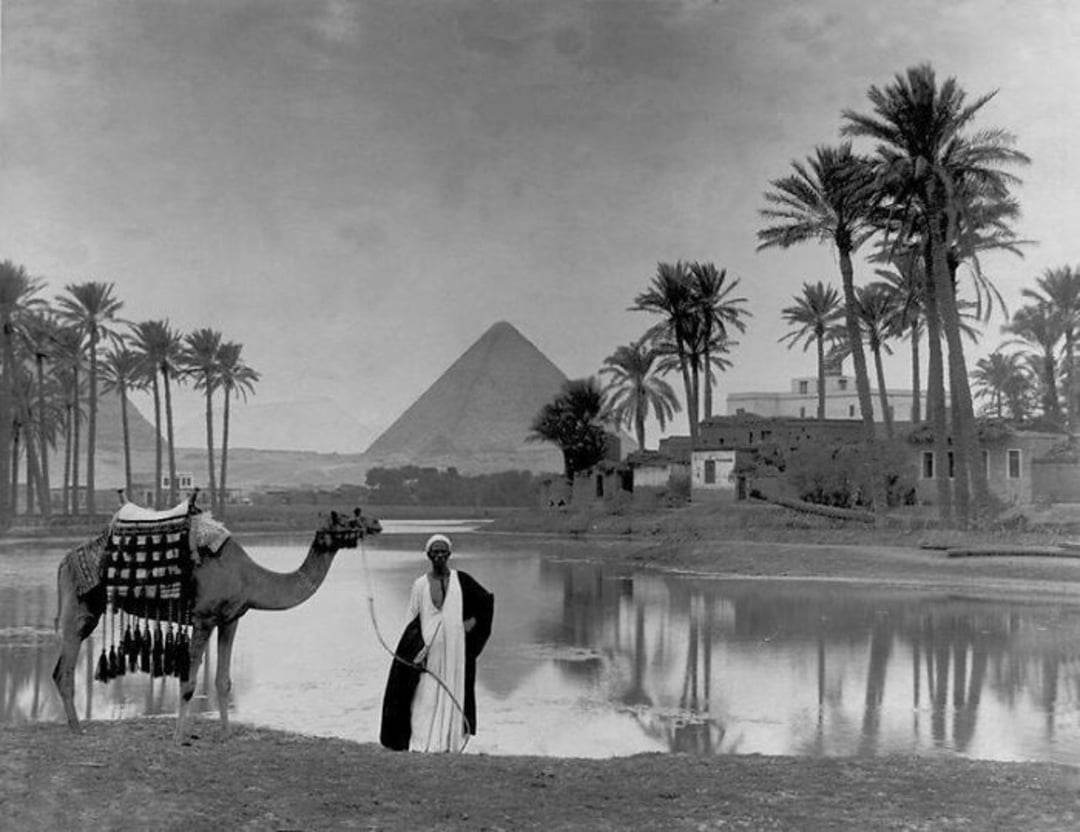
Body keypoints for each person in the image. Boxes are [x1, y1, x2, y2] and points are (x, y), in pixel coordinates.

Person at [379, 533, 494, 752]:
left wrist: (472, 622)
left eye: (443, 552)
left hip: (455, 652)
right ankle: (422, 743)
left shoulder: (462, 581)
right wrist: (413, 651)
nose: (439, 556)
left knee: (453, 693)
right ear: (428, 555)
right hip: (428, 652)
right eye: (435, 552)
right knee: (425, 694)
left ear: (449, 554)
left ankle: (449, 744)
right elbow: (412, 619)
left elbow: (485, 602)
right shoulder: (420, 585)